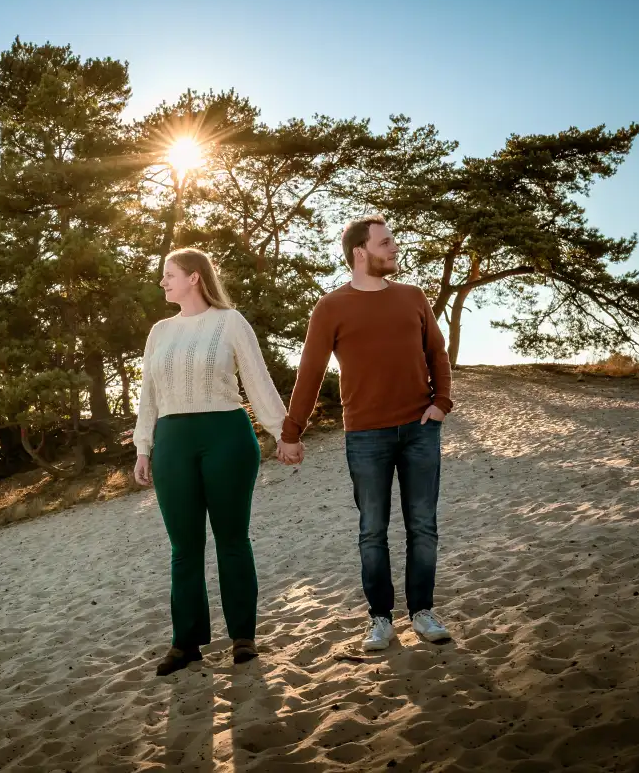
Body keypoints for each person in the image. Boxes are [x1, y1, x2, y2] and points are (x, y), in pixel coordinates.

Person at [277, 215, 454, 652]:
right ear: (361, 251)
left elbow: (437, 352)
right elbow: (311, 372)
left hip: (420, 429)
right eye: (386, 242)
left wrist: (441, 403)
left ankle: (422, 612)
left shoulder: (413, 297)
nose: (395, 248)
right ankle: (380, 619)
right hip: (365, 436)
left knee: (423, 526)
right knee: (372, 529)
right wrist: (291, 431)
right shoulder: (331, 306)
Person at [133, 247, 293, 676]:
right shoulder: (159, 332)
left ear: (195, 278)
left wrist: (283, 432)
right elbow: (148, 394)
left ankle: (243, 637)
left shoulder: (230, 322)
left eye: (169, 274)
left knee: (232, 539)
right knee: (184, 547)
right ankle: (185, 643)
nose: (163, 282)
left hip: (226, 436)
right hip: (172, 441)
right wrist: (142, 446)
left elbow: (257, 378)